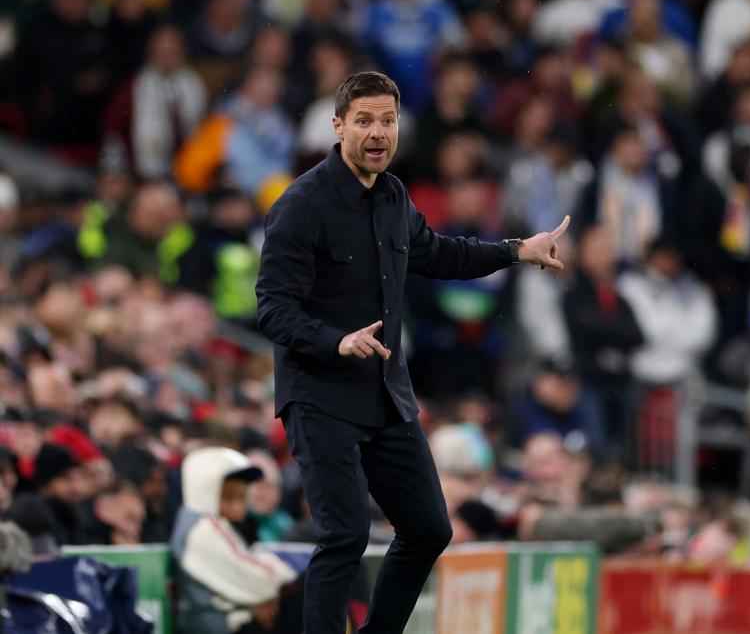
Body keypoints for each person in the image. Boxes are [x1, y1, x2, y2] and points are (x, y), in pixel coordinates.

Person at [254, 70, 567, 634]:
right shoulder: (300, 204)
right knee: (345, 534)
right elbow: (273, 309)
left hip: (384, 393)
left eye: (388, 120)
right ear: (338, 126)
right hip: (319, 394)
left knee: (429, 529)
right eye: (365, 120)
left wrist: (517, 250)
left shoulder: (395, 195)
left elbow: (439, 253)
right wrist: (335, 340)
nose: (378, 132)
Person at [171, 447, 297, 634]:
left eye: (241, 496)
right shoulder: (203, 528)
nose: (239, 506)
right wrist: (282, 583)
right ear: (206, 491)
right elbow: (262, 580)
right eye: (228, 497)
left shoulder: (206, 523)